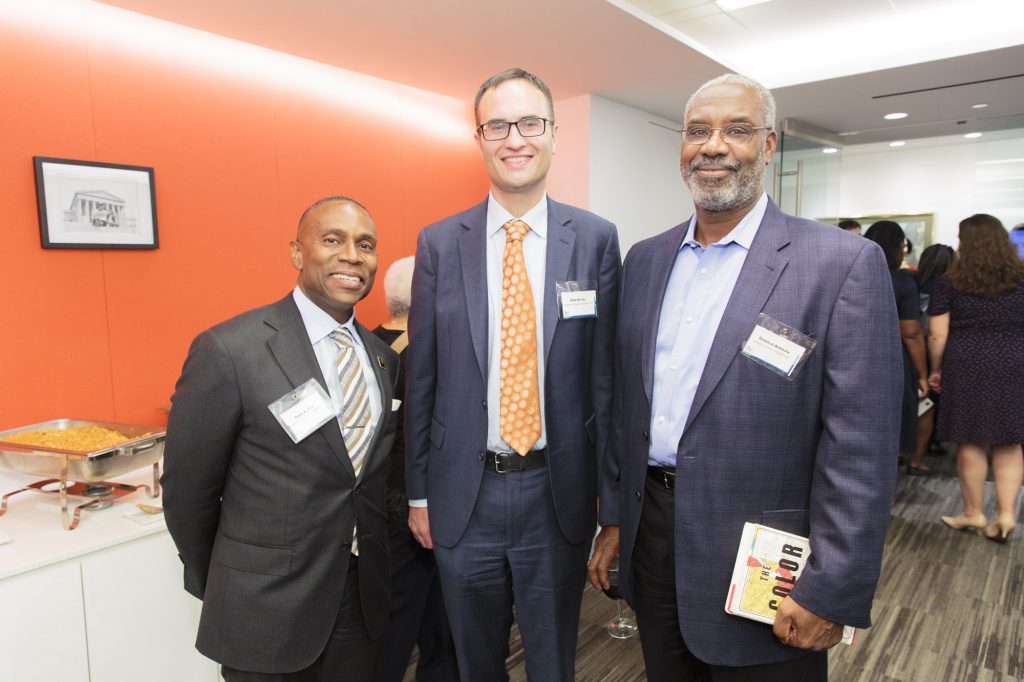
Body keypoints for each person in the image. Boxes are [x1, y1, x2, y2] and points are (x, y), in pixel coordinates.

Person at [588, 73, 901, 681]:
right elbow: (627, 407)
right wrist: (617, 518)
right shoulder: (645, 260)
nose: (713, 146)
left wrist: (832, 587)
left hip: (766, 559)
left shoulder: (839, 263)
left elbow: (861, 448)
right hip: (653, 537)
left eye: (736, 130)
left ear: (769, 144)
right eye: (697, 131)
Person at [405, 67, 620, 681]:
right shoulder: (440, 243)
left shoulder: (595, 239)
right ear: (479, 138)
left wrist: (609, 499)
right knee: (474, 662)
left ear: (553, 133)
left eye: (529, 123)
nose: (515, 139)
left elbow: (604, 382)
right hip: (461, 492)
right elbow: (422, 378)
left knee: (552, 662)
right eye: (497, 126)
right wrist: (418, 492)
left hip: (557, 491)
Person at [161, 197, 400, 681]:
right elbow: (188, 492)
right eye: (332, 239)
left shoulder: (382, 358)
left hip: (359, 600)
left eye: (365, 245)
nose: (351, 255)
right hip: (265, 607)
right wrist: (230, 579)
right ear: (296, 252)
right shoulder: (231, 350)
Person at [371, 256, 459, 682]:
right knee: (439, 628)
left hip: (375, 504)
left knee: (389, 628)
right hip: (424, 504)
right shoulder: (431, 353)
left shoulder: (365, 344)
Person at [931, 214, 1024, 543]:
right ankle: (1007, 514)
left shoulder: (950, 282)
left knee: (971, 439)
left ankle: (973, 512)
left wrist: (935, 369)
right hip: (1014, 361)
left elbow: (938, 335)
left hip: (967, 363)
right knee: (1009, 441)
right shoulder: (1021, 278)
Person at [864, 221, 929, 473]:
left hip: (851, 355)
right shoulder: (903, 282)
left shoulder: (850, 273)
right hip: (890, 358)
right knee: (889, 423)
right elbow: (911, 333)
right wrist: (922, 374)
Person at [914, 244, 956, 457]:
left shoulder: (913, 283)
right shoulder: (947, 289)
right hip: (936, 349)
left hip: (913, 347)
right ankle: (928, 445)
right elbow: (938, 332)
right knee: (933, 399)